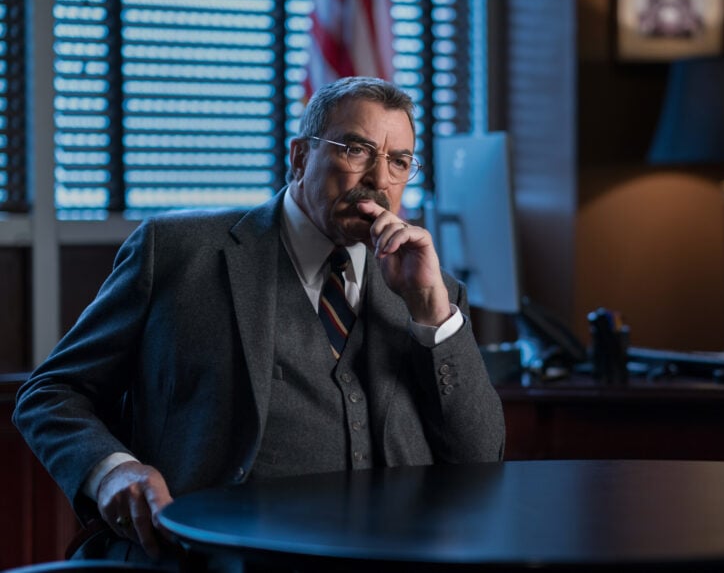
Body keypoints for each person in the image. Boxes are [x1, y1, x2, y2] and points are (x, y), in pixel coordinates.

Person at [13, 76, 506, 564]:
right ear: (299, 158)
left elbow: (481, 461)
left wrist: (432, 313)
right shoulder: (177, 252)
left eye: (399, 162)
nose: (379, 180)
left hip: (389, 559)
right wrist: (113, 471)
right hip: (215, 557)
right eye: (356, 150)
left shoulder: (429, 287)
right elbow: (51, 393)